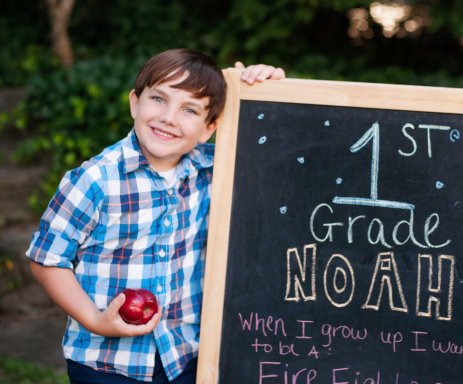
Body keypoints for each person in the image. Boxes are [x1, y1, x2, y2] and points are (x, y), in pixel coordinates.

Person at [26, 49, 285, 384]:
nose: (169, 117)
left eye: (189, 109)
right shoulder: (95, 181)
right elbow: (46, 260)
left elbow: (273, 150)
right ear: (135, 103)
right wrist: (95, 320)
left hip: (190, 357)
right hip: (106, 365)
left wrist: (263, 91)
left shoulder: (216, 170)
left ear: (209, 128)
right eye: (159, 99)